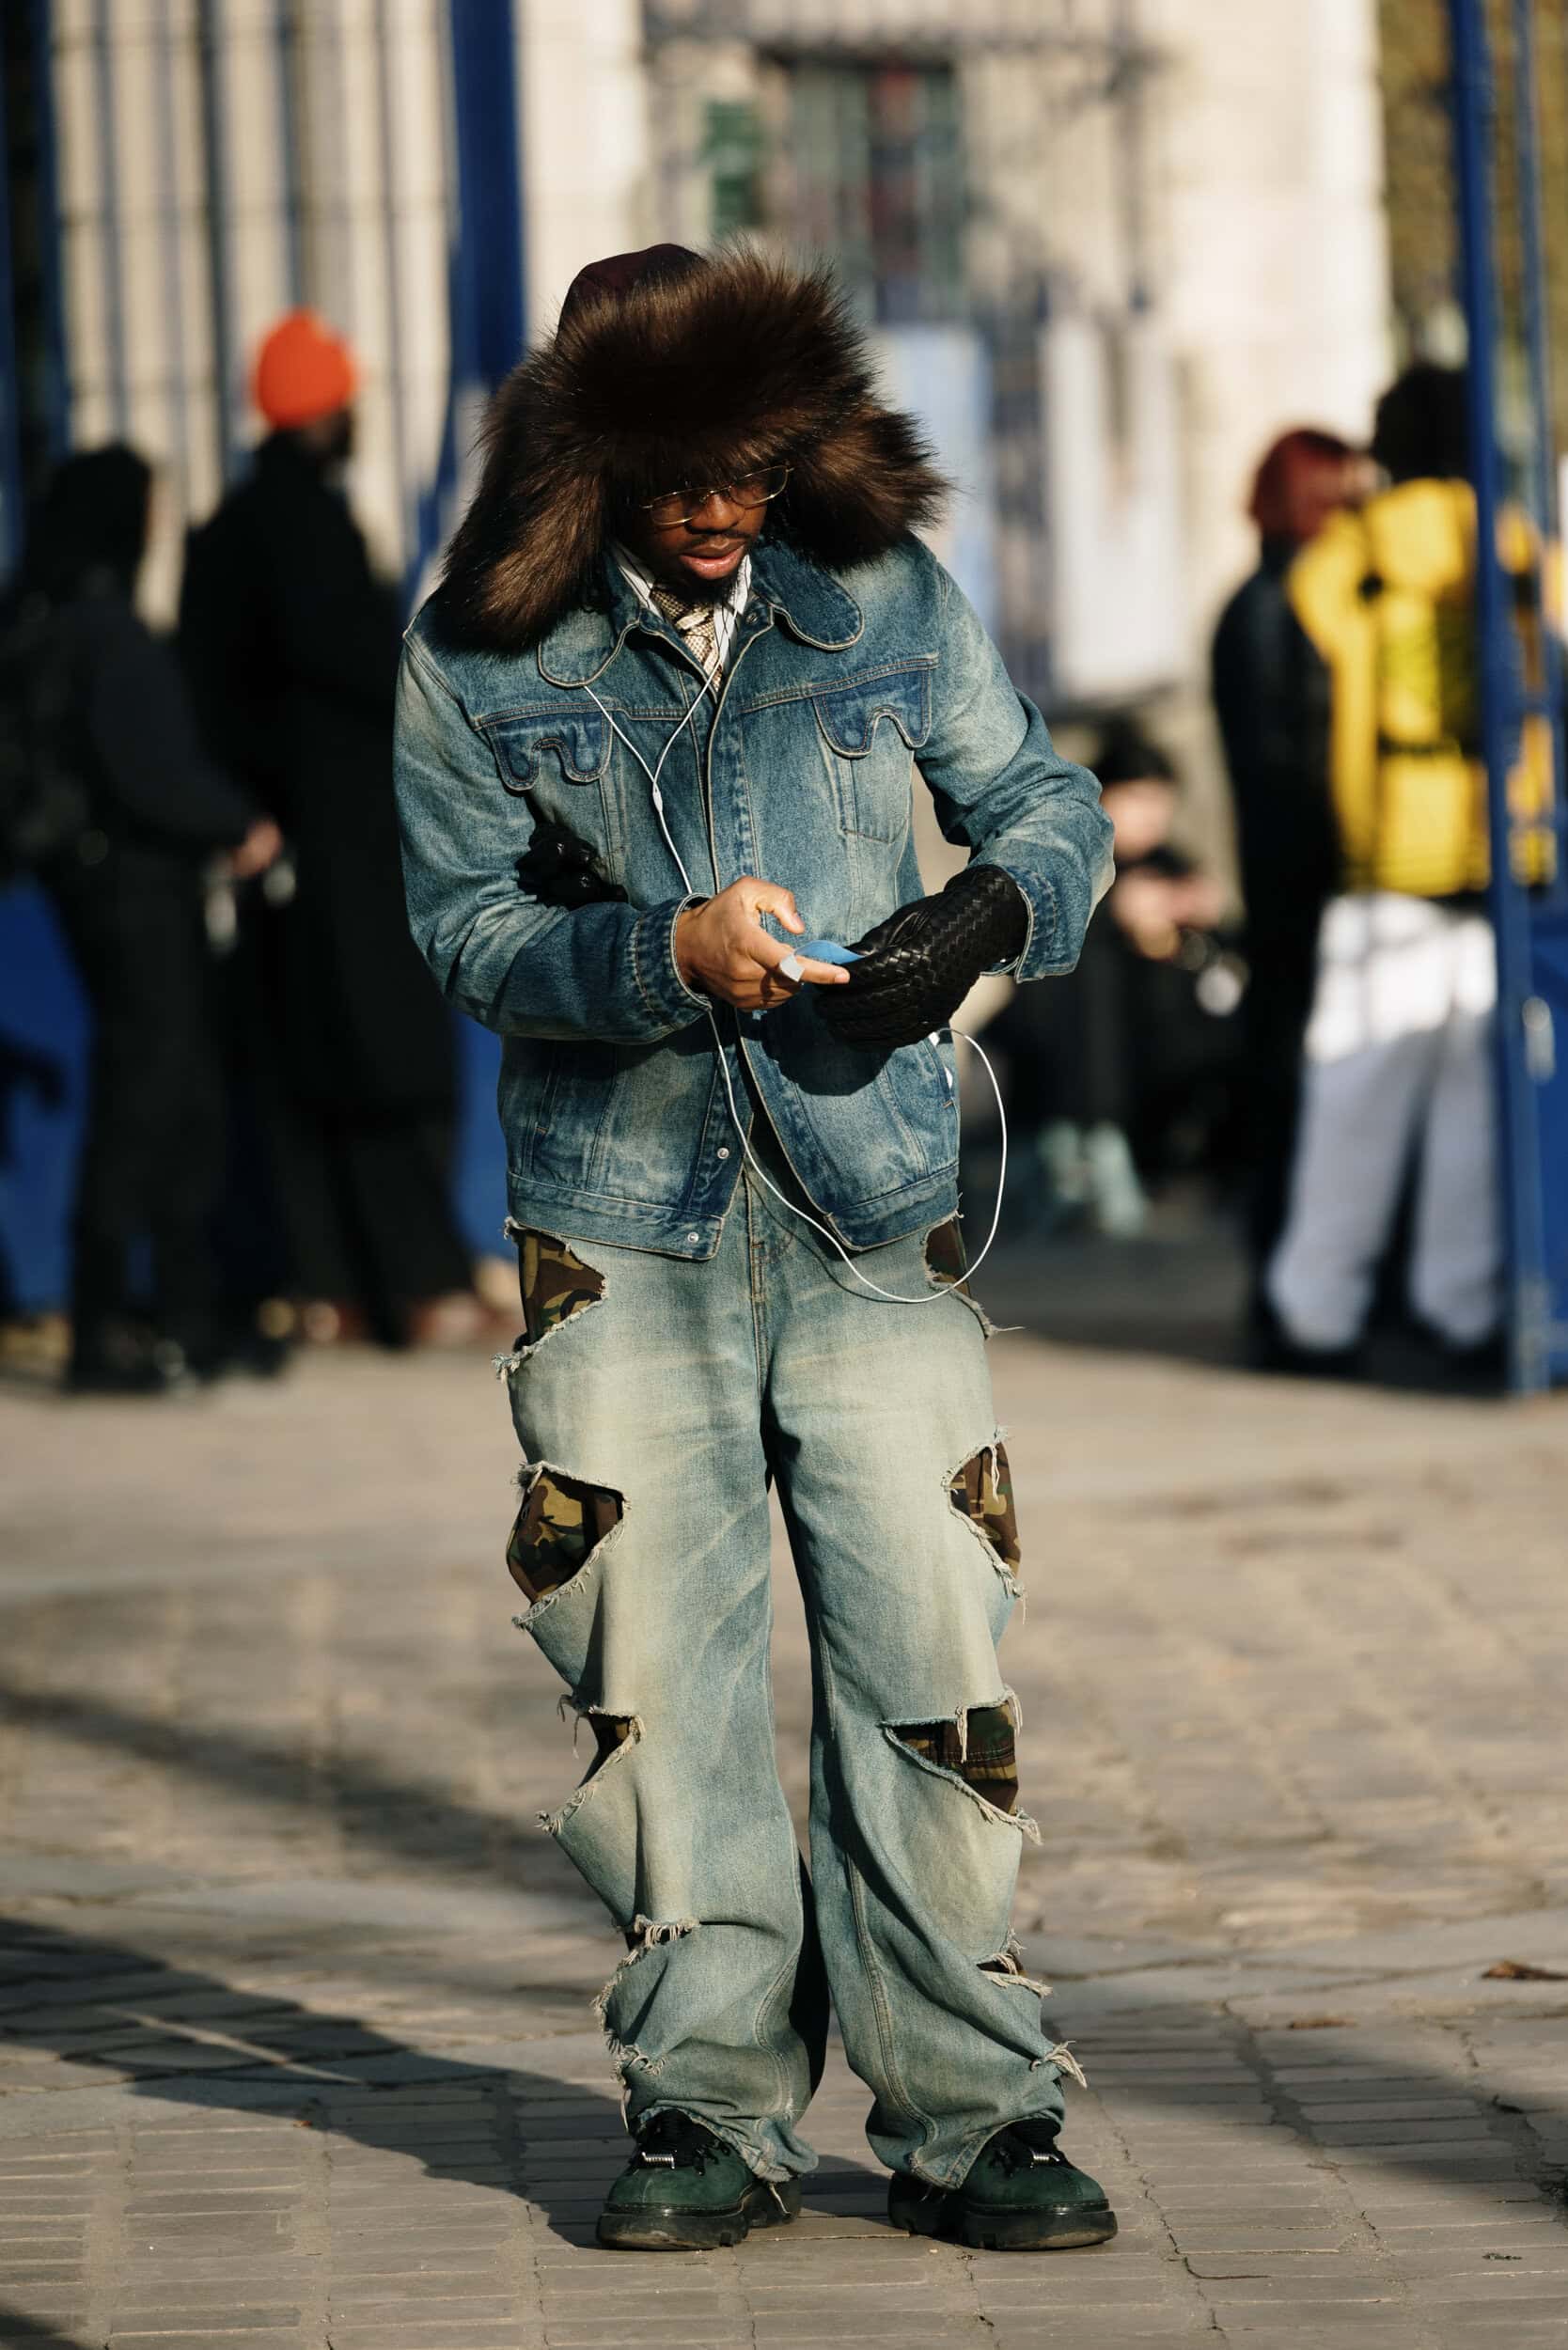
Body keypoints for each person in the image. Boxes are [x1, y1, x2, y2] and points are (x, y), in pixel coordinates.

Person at [395, 244, 1117, 2254]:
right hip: (620, 1225)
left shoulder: (873, 587)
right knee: (657, 1675)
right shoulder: (481, 647)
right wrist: (655, 950)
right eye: (677, 485)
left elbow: (1047, 801)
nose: (720, 519)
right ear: (588, 465)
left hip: (871, 1202)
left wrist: (978, 926)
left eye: (751, 471)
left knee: (931, 1642)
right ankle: (704, 2104)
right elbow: (460, 927)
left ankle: (978, 2110)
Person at [180, 311, 476, 1349]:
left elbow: (210, 688)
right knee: (388, 1058)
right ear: (326, 413)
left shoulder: (224, 530)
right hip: (347, 841)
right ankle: (419, 1280)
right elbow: (360, 667)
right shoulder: (306, 529)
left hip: (273, 844)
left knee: (304, 1069)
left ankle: (333, 1285)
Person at [1266, 365, 1546, 1370]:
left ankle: (1318, 1311)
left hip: (1388, 851)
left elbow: (1308, 630)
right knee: (1478, 1102)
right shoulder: (1516, 539)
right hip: (1506, 844)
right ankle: (1462, 1304)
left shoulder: (1353, 553)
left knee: (1356, 1100)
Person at [8, 446, 278, 1391]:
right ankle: (108, 1326)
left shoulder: (58, 620)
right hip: (136, 896)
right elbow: (152, 771)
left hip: (103, 891)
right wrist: (238, 822)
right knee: (150, 1095)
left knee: (173, 1091)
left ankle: (176, 1316)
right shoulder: (108, 635)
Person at [1211, 429, 1359, 1298]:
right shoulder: (1284, 604)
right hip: (1301, 886)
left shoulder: (1269, 599)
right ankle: (1288, 1287)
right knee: (1297, 1087)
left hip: (1284, 883)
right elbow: (1291, 762)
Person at [993, 725, 1235, 1235]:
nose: (1152, 819)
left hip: (1155, 1061)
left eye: (1160, 805)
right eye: (1138, 803)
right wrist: (1114, 914)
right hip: (1074, 1065)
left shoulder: (1170, 863)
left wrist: (1197, 913)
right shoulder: (1069, 857)